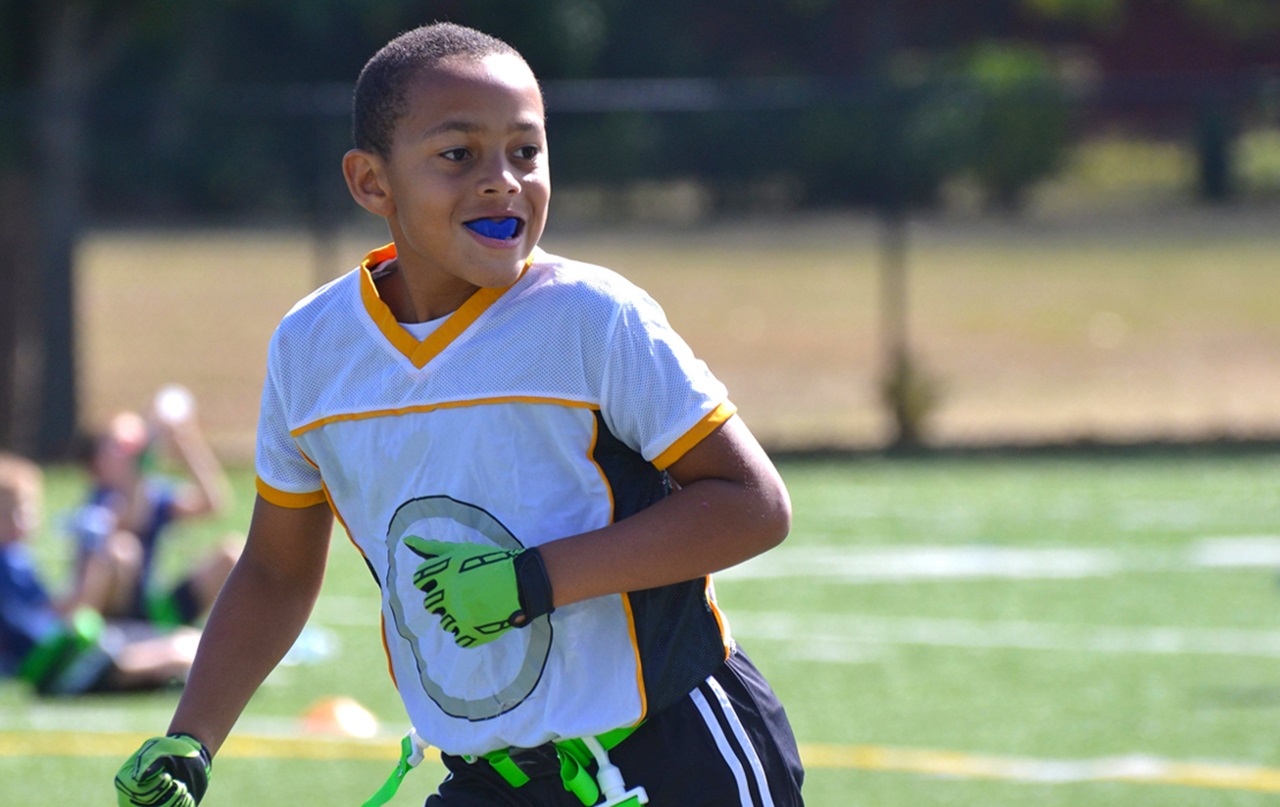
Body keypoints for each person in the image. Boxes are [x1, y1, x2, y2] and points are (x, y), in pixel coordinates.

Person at [115, 21, 804, 807]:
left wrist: (532, 580)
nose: (503, 180)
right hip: (490, 781)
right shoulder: (311, 347)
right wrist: (192, 736)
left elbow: (754, 505)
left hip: (677, 757)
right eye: (458, 154)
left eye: (525, 151)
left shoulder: (592, 316)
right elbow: (275, 569)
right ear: (372, 183)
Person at [0, 452, 198, 696]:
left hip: (60, 658)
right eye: (16, 512)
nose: (27, 519)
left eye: (29, 509)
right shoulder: (8, 561)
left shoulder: (16, 558)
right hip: (56, 665)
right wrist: (94, 561)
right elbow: (50, 622)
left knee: (182, 644)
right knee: (181, 651)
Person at [68, 389, 241, 629]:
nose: (134, 450)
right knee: (122, 551)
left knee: (232, 554)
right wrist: (141, 467)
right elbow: (127, 520)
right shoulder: (100, 499)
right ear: (98, 463)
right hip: (115, 612)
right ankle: (106, 635)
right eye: (121, 445)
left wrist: (186, 444)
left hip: (151, 606)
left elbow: (213, 504)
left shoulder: (152, 492)